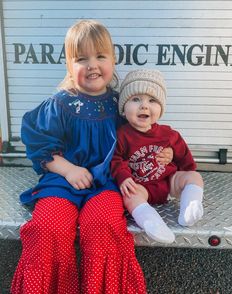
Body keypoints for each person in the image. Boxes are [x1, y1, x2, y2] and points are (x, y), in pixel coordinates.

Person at [11, 20, 172, 294]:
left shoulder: (122, 103)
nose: (92, 65)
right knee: (49, 227)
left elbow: (144, 132)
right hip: (62, 181)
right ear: (69, 65)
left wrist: (162, 153)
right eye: (81, 58)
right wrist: (68, 170)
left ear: (113, 59)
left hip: (108, 181)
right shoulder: (60, 103)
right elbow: (39, 144)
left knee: (104, 225)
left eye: (100, 56)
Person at [111, 69, 204, 244]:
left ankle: (189, 208)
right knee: (130, 196)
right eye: (136, 99)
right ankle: (150, 221)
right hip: (141, 187)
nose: (144, 106)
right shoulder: (122, 135)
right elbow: (116, 160)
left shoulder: (168, 134)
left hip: (168, 183)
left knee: (195, 176)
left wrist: (173, 156)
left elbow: (186, 160)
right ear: (124, 108)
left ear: (160, 109)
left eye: (152, 100)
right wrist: (123, 178)